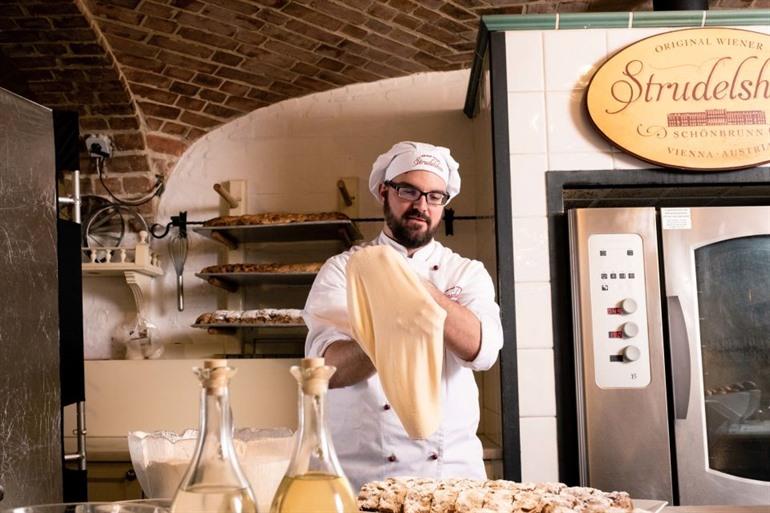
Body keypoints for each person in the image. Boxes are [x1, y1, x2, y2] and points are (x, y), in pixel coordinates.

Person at [302, 141, 504, 492]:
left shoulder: (466, 273)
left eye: (434, 196)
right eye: (408, 190)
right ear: (385, 191)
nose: (421, 205)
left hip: (449, 478)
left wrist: (415, 291)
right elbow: (326, 372)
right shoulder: (344, 270)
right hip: (362, 477)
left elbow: (481, 352)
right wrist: (393, 325)